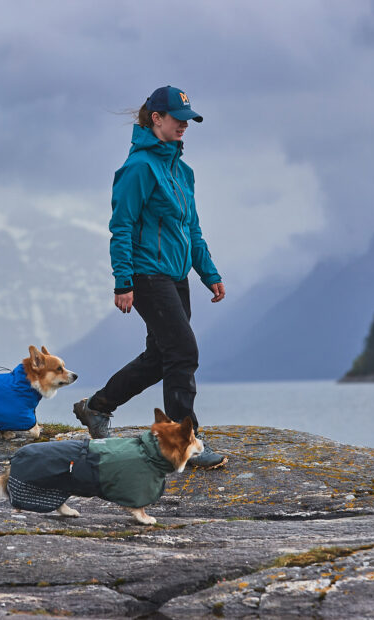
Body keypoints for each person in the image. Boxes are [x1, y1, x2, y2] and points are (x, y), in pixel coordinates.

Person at [73, 85, 228, 469]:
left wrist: (209, 273)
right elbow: (121, 226)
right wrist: (122, 281)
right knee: (183, 352)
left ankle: (97, 407)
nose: (184, 126)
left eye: (188, 120)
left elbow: (192, 229)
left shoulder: (182, 171)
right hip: (146, 276)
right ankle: (181, 441)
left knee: (161, 356)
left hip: (176, 276)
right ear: (156, 119)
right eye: (177, 119)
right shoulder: (138, 168)